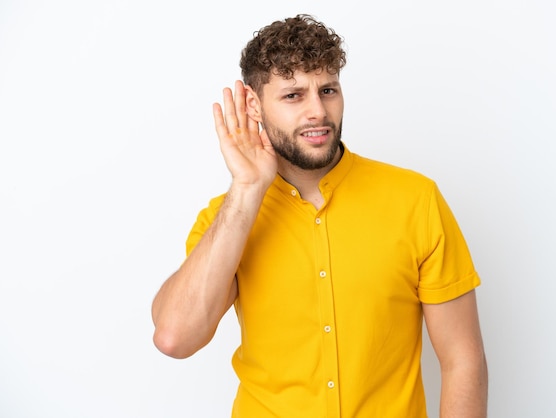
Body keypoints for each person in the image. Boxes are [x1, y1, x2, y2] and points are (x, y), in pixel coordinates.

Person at [151, 14, 488, 418]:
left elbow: (462, 361)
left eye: (328, 90)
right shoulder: (226, 219)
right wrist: (246, 190)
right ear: (254, 105)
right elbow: (175, 337)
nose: (318, 112)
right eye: (293, 95)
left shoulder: (416, 200)